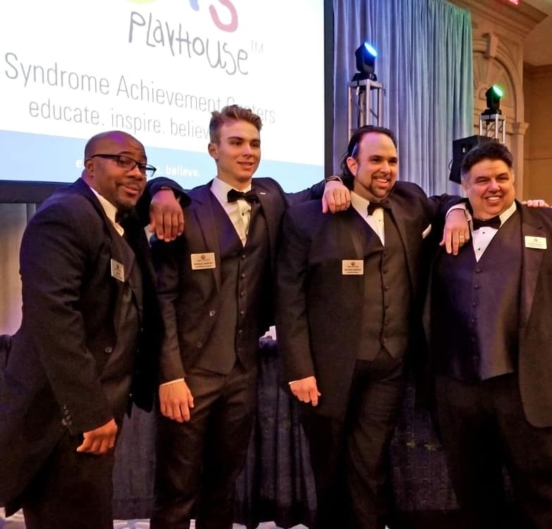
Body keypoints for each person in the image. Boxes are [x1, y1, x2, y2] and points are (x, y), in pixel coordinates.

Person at [149, 104, 348, 529]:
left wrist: (333, 182)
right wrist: (170, 375)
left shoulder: (271, 197)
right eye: (236, 142)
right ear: (213, 150)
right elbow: (161, 298)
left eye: (254, 143)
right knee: (176, 490)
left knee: (224, 486)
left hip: (243, 370)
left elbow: (311, 193)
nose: (248, 152)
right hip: (189, 372)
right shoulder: (185, 206)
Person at [275, 125, 467, 529]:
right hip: (326, 368)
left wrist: (455, 212)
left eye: (392, 160)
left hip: (390, 364)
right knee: (328, 466)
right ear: (351, 164)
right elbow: (289, 297)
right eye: (376, 160)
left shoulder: (409, 202)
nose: (386, 169)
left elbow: (447, 200)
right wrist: (299, 368)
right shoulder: (308, 216)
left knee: (370, 462)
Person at [0, 130, 185, 529]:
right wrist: (89, 413)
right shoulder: (64, 216)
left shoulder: (117, 217)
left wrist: (164, 189)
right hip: (64, 419)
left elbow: (157, 190)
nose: (136, 173)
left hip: (96, 412)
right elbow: (55, 322)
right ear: (90, 167)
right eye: (124, 161)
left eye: (142, 166)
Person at [427, 141, 552, 528]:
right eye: (482, 180)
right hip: (458, 386)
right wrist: (454, 210)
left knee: (540, 487)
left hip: (528, 382)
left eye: (502, 178)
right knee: (472, 488)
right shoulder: (439, 231)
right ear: (464, 186)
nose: (494, 186)